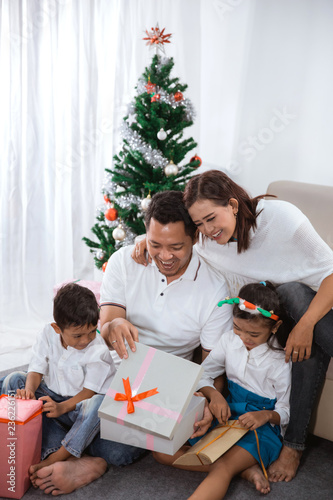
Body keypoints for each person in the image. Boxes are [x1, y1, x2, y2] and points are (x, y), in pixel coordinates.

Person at [27, 190, 233, 495]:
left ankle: (88, 459)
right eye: (155, 244)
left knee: (118, 451)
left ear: (195, 238)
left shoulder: (215, 289)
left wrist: (203, 404)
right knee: (19, 385)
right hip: (101, 371)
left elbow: (212, 365)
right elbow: (106, 326)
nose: (164, 257)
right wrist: (115, 324)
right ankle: (76, 438)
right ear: (145, 235)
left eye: (176, 247)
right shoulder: (125, 260)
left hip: (153, 389)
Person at [133, 169, 333, 482]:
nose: (207, 230)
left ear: (233, 204)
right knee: (291, 328)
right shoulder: (206, 242)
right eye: (199, 223)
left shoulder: (281, 220)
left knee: (294, 296)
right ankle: (291, 445)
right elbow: (177, 243)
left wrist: (305, 324)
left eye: (212, 218)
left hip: (316, 306)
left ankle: (292, 446)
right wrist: (145, 240)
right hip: (268, 316)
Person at [154, 282, 291, 499]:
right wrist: (214, 394)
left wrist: (265, 415)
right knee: (161, 452)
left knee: (222, 468)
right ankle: (244, 470)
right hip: (227, 413)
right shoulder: (229, 340)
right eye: (238, 328)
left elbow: (286, 410)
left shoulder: (280, 360)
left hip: (260, 427)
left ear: (274, 327)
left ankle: (232, 468)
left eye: (253, 334)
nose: (244, 338)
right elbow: (203, 374)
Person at [0, 283, 116, 481]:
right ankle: (22, 440)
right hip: (51, 401)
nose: (85, 340)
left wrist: (62, 408)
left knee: (100, 404)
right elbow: (36, 369)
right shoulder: (47, 333)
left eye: (92, 332)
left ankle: (59, 455)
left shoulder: (99, 350)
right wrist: (28, 391)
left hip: (79, 407)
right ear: (57, 328)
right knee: (14, 379)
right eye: (77, 335)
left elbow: (89, 392)